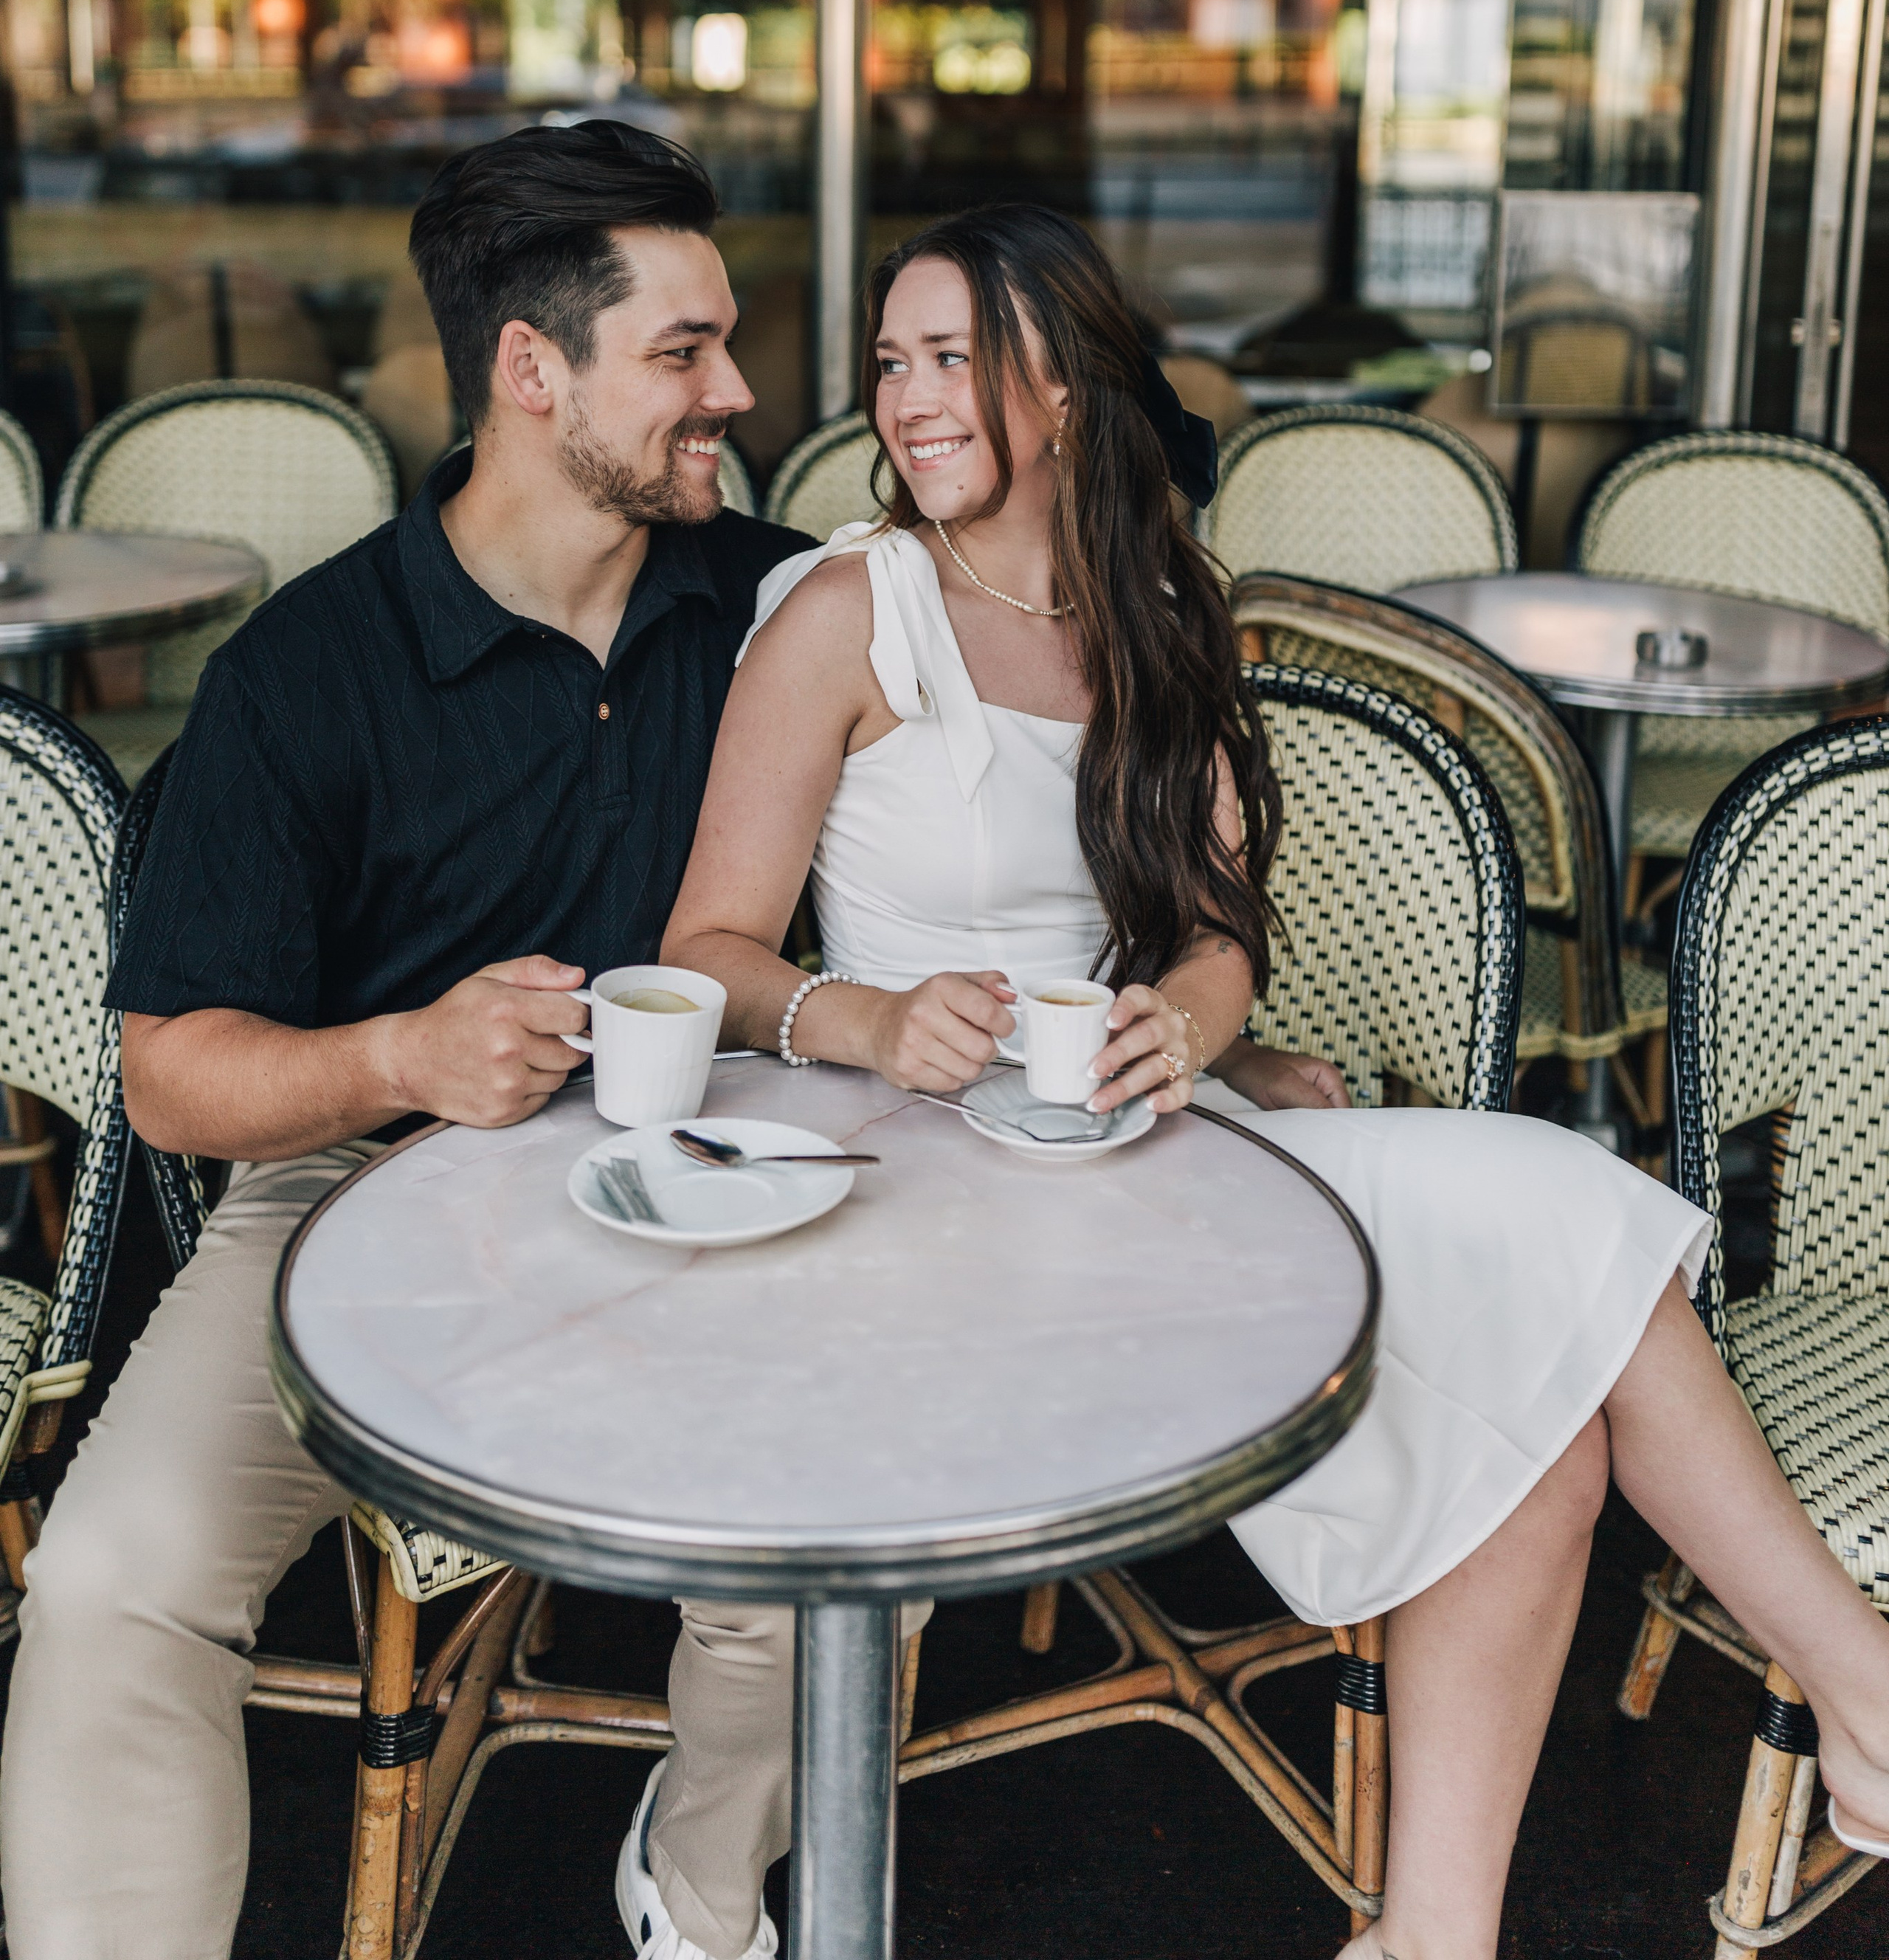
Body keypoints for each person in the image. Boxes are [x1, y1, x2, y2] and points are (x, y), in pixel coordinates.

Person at [622, 201, 1889, 1960]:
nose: (904, 399)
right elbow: (707, 948)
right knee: (1550, 1228)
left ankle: (1431, 1939)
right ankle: (1865, 1694)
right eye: (891, 361)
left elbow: (1216, 936)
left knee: (1532, 1411)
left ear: (1061, 389)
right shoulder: (851, 612)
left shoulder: (1163, 611)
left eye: (949, 359)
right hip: (910, 1166)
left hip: (1128, 1141)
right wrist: (872, 1016)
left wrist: (1188, 1032)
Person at [0, 120, 811, 1960]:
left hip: (712, 1184)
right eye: (684, 351)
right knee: (113, 1578)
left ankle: (698, 1898)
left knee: (826, 1545)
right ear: (533, 370)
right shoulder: (304, 674)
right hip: (355, 1192)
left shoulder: (781, 608)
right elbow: (171, 1076)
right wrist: (396, 1058)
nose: (736, 391)